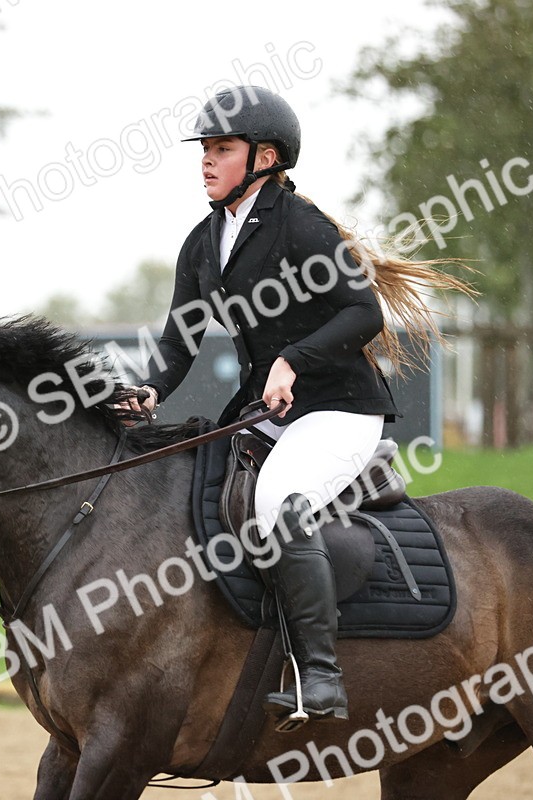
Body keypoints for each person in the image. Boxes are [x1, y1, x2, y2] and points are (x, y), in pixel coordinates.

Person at [121, 85, 473, 724]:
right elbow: (180, 341)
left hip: (337, 410)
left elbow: (363, 311)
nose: (205, 161)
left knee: (276, 504)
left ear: (265, 157)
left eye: (221, 149)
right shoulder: (204, 242)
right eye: (204, 149)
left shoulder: (299, 225)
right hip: (270, 413)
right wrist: (151, 391)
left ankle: (320, 675)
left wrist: (292, 361)